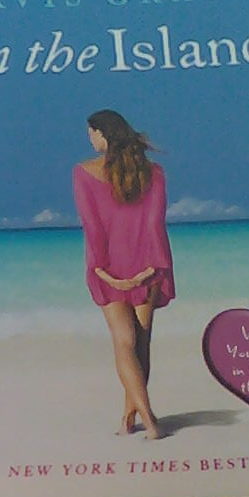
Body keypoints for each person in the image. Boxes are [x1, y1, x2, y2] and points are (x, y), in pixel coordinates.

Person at [72, 110, 175, 441]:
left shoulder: (83, 173)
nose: (90, 138)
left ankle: (147, 419)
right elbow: (154, 223)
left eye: (92, 132)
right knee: (141, 344)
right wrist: (151, 268)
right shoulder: (153, 172)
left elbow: (92, 227)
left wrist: (104, 273)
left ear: (103, 133)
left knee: (124, 342)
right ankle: (131, 416)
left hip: (110, 269)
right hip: (147, 266)